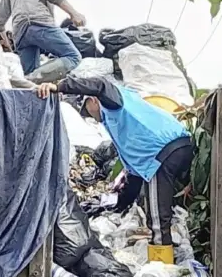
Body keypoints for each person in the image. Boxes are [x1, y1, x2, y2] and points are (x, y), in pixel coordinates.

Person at [35, 75, 193, 264]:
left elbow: (100, 85)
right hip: (177, 147)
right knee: (166, 208)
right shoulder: (121, 119)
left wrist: (59, 86)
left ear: (92, 100)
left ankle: (162, 266)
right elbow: (134, 177)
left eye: (87, 111)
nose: (91, 116)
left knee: (158, 217)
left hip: (164, 152)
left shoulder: (113, 103)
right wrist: (120, 204)